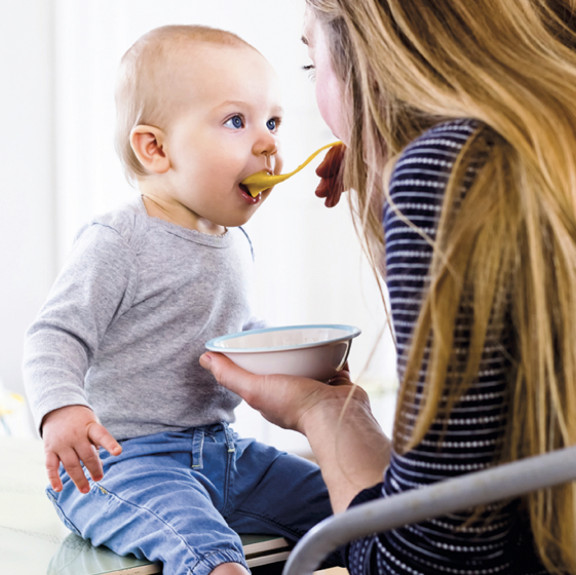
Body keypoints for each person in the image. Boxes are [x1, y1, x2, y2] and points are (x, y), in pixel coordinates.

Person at [200, 1, 576, 573]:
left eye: (311, 65)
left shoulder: (448, 174)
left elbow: (423, 564)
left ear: (373, 55)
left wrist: (328, 415)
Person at [22, 24, 339, 575]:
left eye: (273, 122)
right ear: (156, 148)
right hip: (122, 465)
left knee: (347, 506)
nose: (268, 143)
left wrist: (291, 360)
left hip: (225, 454)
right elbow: (55, 334)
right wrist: (61, 409)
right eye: (237, 121)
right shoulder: (119, 239)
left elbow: (230, 332)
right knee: (203, 545)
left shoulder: (230, 241)